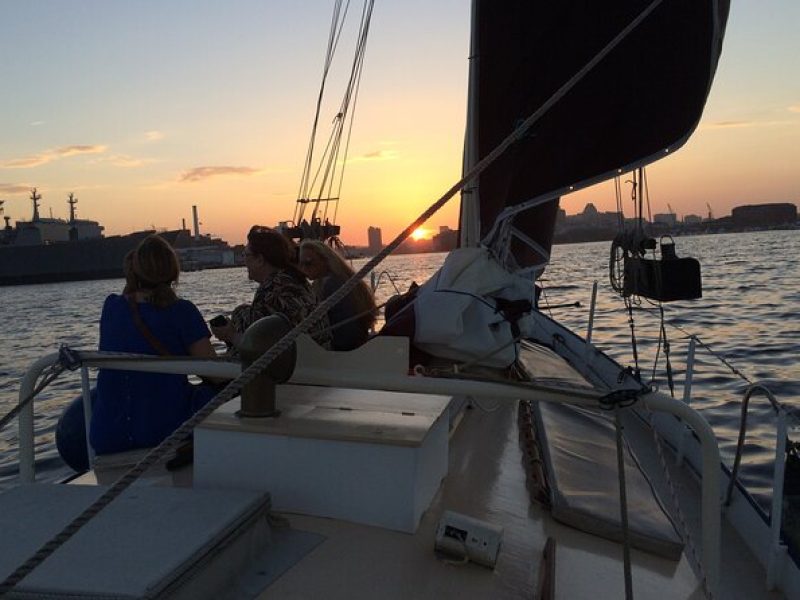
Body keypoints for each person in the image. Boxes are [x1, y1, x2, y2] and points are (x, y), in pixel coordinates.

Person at [89, 234, 219, 455]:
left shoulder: (111, 306)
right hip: (165, 429)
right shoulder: (182, 311)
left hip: (108, 434)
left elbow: (131, 304)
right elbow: (214, 374)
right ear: (173, 271)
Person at [211, 226, 332, 349]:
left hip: (300, 363)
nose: (244, 261)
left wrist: (230, 335)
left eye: (246, 255)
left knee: (240, 313)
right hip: (322, 356)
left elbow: (259, 350)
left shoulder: (272, 291)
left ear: (260, 260)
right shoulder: (296, 280)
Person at [299, 240, 377, 351]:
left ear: (325, 260)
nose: (303, 268)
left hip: (342, 348)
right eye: (300, 264)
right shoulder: (343, 280)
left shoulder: (332, 285)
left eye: (308, 263)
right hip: (357, 343)